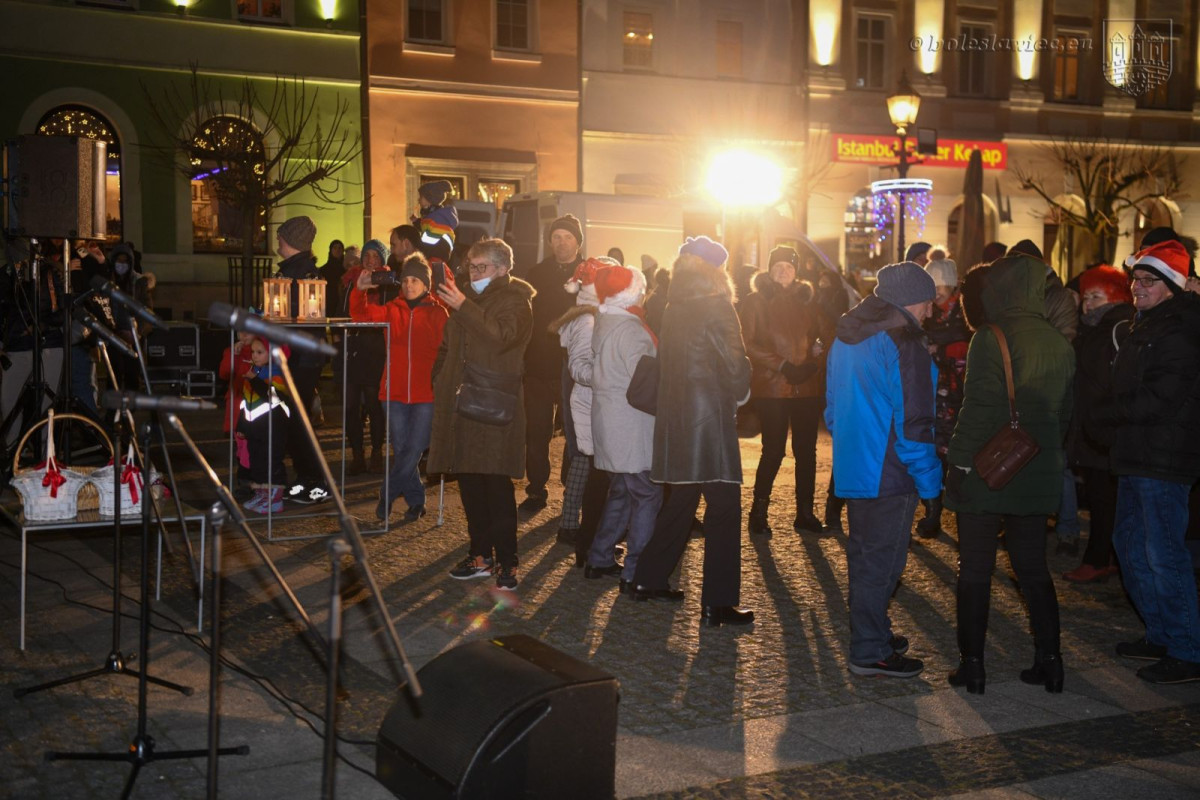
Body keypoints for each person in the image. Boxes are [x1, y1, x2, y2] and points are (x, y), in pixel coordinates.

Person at [943, 253, 1075, 695]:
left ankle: (973, 665)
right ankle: (1051, 663)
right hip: (1038, 470)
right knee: (1033, 567)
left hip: (990, 468)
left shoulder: (989, 336)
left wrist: (959, 462)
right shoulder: (1058, 341)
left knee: (975, 568)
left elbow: (977, 408)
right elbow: (1066, 415)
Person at [825, 261, 941, 677]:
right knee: (882, 565)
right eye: (930, 302)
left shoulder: (848, 335)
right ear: (915, 299)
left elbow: (833, 408)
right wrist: (930, 483)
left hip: (856, 466)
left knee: (864, 558)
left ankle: (873, 631)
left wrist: (852, 451)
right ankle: (869, 649)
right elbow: (915, 422)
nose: (931, 311)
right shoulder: (904, 342)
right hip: (890, 470)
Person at [632, 236, 754, 627]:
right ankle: (718, 603)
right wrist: (741, 393)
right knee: (724, 508)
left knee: (681, 502)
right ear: (717, 271)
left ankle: (647, 579)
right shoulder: (718, 305)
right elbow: (735, 363)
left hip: (676, 418)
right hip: (709, 421)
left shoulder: (671, 304)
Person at [1098, 239, 1200, 683]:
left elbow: (1159, 398)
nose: (1137, 287)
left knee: (1164, 555)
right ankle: (1162, 633)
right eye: (1135, 279)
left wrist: (1105, 413)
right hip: (1138, 454)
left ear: (1172, 285)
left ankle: (1187, 649)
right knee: (1129, 545)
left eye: (1148, 280)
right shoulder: (1151, 323)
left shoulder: (1180, 329)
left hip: (1163, 458)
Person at [430, 238, 534, 591]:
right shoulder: (466, 299)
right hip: (463, 403)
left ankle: (507, 560)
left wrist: (464, 307)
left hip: (493, 404)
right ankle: (479, 555)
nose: (473, 274)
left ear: (502, 269)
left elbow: (501, 336)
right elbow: (448, 346)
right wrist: (439, 379)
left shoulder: (516, 300)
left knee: (496, 486)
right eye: (471, 267)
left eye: (481, 267)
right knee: (471, 486)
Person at [351, 252, 448, 524]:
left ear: (426, 284)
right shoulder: (392, 309)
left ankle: (387, 493)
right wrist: (359, 292)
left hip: (426, 394)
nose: (409, 285)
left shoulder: (439, 313)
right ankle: (416, 502)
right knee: (403, 449)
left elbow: (448, 351)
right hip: (393, 393)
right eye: (405, 280)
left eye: (415, 280)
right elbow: (360, 316)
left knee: (415, 448)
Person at [740, 245, 829, 537]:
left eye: (789, 267)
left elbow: (821, 337)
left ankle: (805, 512)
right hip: (773, 388)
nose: (783, 271)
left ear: (796, 271)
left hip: (806, 387)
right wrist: (782, 366)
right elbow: (747, 342)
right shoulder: (755, 302)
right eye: (778, 266)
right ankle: (759, 511)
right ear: (769, 269)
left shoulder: (808, 302)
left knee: (806, 452)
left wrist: (813, 362)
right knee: (774, 450)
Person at [585, 263, 660, 589]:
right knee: (647, 494)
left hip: (611, 422)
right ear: (632, 291)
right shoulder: (630, 329)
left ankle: (599, 557)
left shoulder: (606, 322)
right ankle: (637, 570)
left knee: (622, 492)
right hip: (631, 424)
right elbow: (642, 381)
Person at [1063, 265, 1134, 583]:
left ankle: (1098, 558)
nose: (1088, 303)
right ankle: (1106, 555)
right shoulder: (1094, 327)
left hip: (1107, 428)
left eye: (1096, 296)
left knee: (1105, 497)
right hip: (1094, 426)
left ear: (1115, 295)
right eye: (1086, 297)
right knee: (1100, 495)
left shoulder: (1118, 327)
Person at [519, 214, 584, 513]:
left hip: (574, 365)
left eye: (567, 237)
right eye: (556, 237)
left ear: (577, 242)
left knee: (575, 432)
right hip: (538, 364)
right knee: (537, 431)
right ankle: (536, 489)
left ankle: (572, 488)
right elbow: (525, 316)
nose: (561, 242)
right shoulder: (536, 272)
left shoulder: (588, 273)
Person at [551, 256, 613, 563]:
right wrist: (611, 377)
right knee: (583, 462)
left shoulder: (592, 315)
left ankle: (582, 528)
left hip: (591, 400)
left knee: (587, 463)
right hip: (589, 401)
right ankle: (571, 527)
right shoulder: (588, 320)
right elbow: (579, 368)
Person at [273, 215, 330, 504]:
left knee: (297, 421)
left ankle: (316, 480)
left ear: (291, 240)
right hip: (295, 356)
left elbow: (309, 321)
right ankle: (308, 477)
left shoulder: (306, 275)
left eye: (281, 236)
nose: (277, 241)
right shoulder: (293, 272)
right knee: (293, 420)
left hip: (301, 359)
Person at [917, 255, 971, 539]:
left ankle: (962, 515)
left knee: (955, 455)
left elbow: (967, 345)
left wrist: (941, 350)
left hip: (958, 394)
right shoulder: (927, 312)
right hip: (931, 393)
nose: (937, 293)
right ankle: (932, 511)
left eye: (942, 287)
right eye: (933, 287)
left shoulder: (964, 312)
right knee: (931, 453)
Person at [341, 239, 389, 474]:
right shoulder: (352, 279)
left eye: (376, 257)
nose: (370, 261)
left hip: (375, 348)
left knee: (373, 404)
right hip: (353, 347)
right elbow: (342, 311)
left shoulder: (388, 283)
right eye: (367, 256)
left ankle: (377, 451)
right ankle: (357, 454)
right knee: (350, 405)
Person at [237, 337, 292, 515]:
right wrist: (242, 426)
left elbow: (273, 396)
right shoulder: (254, 372)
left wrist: (254, 380)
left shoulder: (278, 374)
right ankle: (262, 494)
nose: (255, 356)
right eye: (253, 352)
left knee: (271, 463)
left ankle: (275, 499)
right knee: (257, 462)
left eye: (260, 352)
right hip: (255, 430)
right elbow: (246, 402)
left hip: (272, 429)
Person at [319, 239, 345, 315]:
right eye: (335, 247)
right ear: (330, 250)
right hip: (328, 303)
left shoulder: (347, 269)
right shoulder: (323, 270)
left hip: (343, 303)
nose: (337, 250)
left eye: (340, 248)